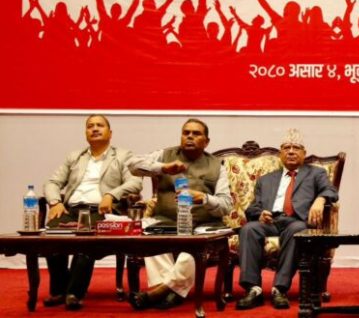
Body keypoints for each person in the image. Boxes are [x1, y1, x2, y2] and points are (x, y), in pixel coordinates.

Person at [127, 118, 232, 310]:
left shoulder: (217, 165)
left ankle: (157, 293)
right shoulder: (165, 155)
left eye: (196, 133)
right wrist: (162, 168)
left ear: (206, 141)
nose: (190, 136)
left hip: (203, 224)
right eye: (186, 133)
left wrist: (204, 198)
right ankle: (172, 291)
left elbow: (226, 205)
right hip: (165, 220)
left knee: (195, 249)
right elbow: (132, 165)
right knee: (147, 234)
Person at [43, 114, 142, 310]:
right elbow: (52, 182)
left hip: (100, 210)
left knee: (86, 243)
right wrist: (55, 202)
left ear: (110, 133)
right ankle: (59, 291)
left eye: (100, 125)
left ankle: (74, 293)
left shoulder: (123, 155)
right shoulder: (75, 156)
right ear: (85, 133)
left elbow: (135, 182)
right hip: (71, 209)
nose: (95, 129)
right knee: (51, 239)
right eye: (90, 126)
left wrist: (111, 195)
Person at [236, 129, 339, 310]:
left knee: (296, 230)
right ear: (280, 153)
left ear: (304, 153)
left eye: (296, 148)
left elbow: (331, 190)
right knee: (249, 229)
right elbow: (252, 207)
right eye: (286, 148)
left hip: (296, 221)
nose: (291, 151)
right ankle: (253, 289)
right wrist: (260, 214)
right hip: (270, 222)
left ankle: (279, 289)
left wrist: (320, 199)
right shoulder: (266, 179)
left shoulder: (316, 173)